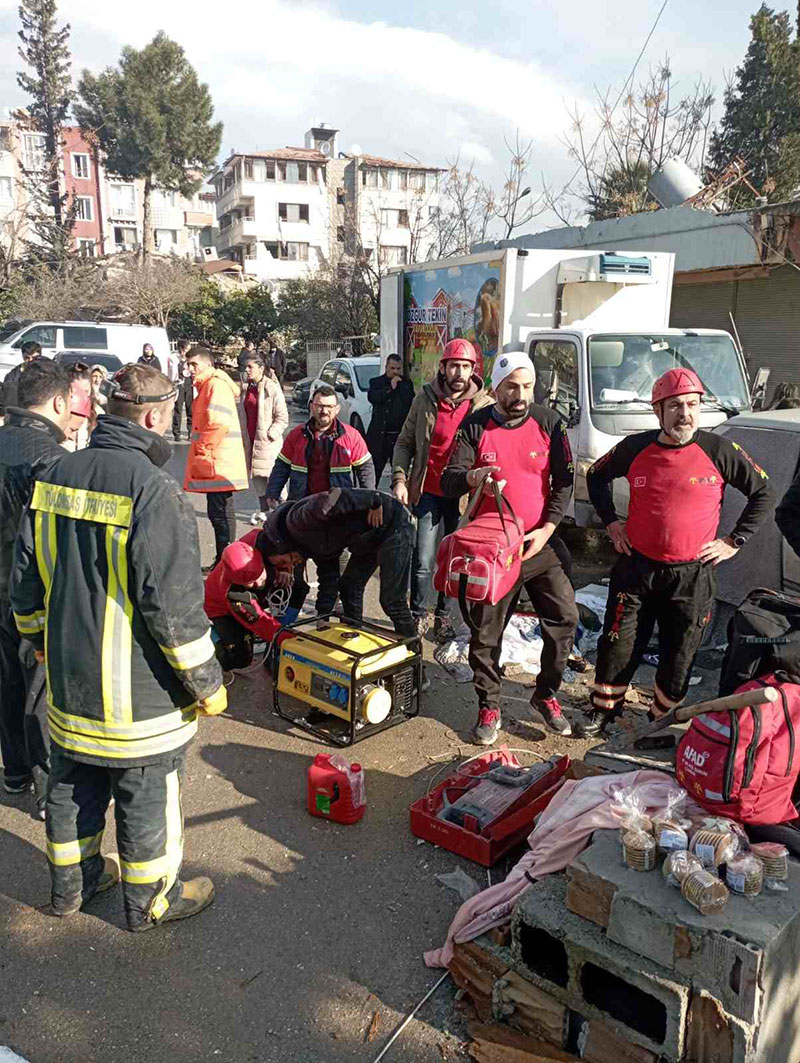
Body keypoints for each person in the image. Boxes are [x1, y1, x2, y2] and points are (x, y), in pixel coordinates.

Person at [10, 363, 226, 930]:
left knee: (71, 782)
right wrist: (208, 683)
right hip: (138, 700)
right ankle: (150, 901)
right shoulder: (155, 492)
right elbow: (173, 611)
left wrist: (37, 641)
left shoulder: (56, 474)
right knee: (146, 795)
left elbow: (25, 583)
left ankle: (72, 887)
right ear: (156, 416)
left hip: (67, 685)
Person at [579, 367, 776, 738]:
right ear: (658, 411)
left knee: (679, 653)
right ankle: (604, 710)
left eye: (691, 404)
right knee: (618, 644)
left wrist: (734, 541)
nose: (684, 413)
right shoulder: (635, 447)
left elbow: (763, 491)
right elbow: (596, 476)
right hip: (636, 569)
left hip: (692, 575)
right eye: (674, 406)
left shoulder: (718, 449)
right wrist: (610, 522)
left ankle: (661, 720)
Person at [441, 352, 579, 745]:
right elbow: (450, 480)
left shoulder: (550, 423)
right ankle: (490, 704)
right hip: (491, 551)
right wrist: (473, 477)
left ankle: (546, 694)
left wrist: (548, 528)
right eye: (512, 387)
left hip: (538, 543)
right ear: (497, 388)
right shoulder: (474, 426)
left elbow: (564, 483)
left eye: (528, 386)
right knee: (485, 633)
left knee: (565, 617)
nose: (520, 394)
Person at [0, 360, 72, 796]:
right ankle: (50, 789)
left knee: (7, 681)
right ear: (59, 401)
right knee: (42, 693)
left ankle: (15, 770)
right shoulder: (53, 459)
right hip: (35, 594)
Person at [392, 338, 492, 642]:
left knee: (455, 563)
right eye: (454, 366)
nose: (459, 372)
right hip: (428, 492)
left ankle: (444, 618)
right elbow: (404, 443)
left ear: (473, 370)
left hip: (463, 499)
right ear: (443, 367)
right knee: (423, 561)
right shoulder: (424, 400)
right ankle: (419, 615)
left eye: (465, 366)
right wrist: (399, 478)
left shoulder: (484, 406)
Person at [264, 383, 375, 621]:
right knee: (292, 571)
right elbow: (282, 465)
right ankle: (286, 617)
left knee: (331, 571)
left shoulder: (351, 437)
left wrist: (371, 502)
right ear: (311, 407)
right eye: (318, 406)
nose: (323, 411)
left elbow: (366, 470)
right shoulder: (296, 436)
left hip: (335, 517)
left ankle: (324, 616)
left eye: (328, 407)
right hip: (301, 514)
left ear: (336, 410)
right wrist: (272, 492)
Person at [256, 487, 416, 639]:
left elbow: (336, 496)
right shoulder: (307, 547)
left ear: (282, 545)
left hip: (394, 523)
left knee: (392, 600)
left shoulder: (299, 519)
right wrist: (323, 615)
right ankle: (354, 639)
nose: (293, 564)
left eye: (286, 560)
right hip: (368, 537)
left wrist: (374, 500)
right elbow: (329, 576)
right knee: (348, 587)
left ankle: (413, 654)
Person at [184, 346, 249, 565]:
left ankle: (226, 561)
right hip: (217, 461)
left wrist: (202, 450)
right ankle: (224, 559)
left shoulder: (214, 385)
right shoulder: (207, 386)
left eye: (194, 364)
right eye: (188, 364)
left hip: (218, 461)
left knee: (220, 514)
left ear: (208, 364)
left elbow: (217, 423)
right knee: (218, 513)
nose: (190, 369)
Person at [204, 537, 282, 670]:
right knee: (240, 659)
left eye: (259, 575)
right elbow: (260, 623)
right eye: (250, 583)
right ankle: (209, 634)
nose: (257, 583)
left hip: (245, 597)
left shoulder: (255, 543)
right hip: (220, 610)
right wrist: (286, 638)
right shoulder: (234, 594)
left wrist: (286, 568)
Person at [240, 352, 289, 511]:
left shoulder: (272, 388)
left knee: (275, 483)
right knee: (258, 482)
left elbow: (282, 417)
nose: (247, 370)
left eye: (250, 367)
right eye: (245, 367)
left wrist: (270, 434)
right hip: (251, 442)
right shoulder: (246, 388)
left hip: (267, 444)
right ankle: (265, 514)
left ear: (261, 368)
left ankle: (283, 515)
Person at [366, 353, 414, 483]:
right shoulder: (376, 382)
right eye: (392, 368)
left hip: (398, 436)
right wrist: (390, 388)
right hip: (380, 436)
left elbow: (409, 403)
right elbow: (373, 398)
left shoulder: (406, 384)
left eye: (398, 369)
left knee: (399, 472)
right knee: (375, 471)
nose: (395, 372)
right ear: (386, 367)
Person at [2, 340, 42, 415]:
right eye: (27, 357)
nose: (30, 360)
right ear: (22, 356)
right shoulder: (13, 375)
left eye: (34, 358)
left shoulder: (46, 373)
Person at [171, 339, 193, 442]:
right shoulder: (174, 358)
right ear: (181, 349)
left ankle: (190, 431)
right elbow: (172, 373)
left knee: (190, 409)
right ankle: (177, 433)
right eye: (186, 349)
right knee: (178, 410)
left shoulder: (191, 359)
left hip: (189, 385)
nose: (188, 351)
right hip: (179, 385)